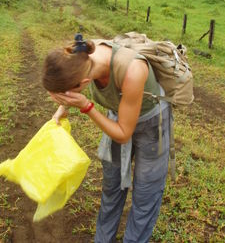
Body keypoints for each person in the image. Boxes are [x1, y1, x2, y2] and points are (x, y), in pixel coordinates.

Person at [42, 33, 172, 243]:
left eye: (65, 95)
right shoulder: (82, 57)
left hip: (151, 122)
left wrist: (87, 107)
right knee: (112, 186)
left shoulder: (133, 69)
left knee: (145, 192)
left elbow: (123, 134)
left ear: (84, 83)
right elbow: (68, 77)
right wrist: (61, 108)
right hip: (117, 112)